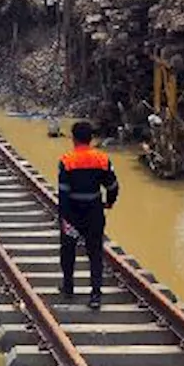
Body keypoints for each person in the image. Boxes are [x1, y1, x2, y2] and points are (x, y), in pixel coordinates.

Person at [57, 121, 119, 309]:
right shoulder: (102, 159)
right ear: (90, 138)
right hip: (94, 212)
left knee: (68, 250)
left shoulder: (66, 161)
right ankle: (95, 296)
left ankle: (68, 287)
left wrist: (64, 217)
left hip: (73, 214)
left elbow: (63, 193)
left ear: (74, 138)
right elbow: (113, 186)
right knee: (95, 253)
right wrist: (109, 202)